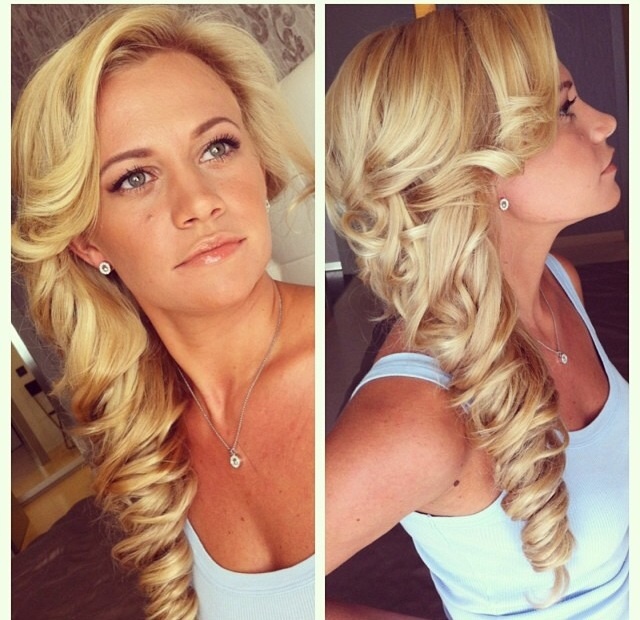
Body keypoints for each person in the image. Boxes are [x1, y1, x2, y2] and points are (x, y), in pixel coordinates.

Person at [12, 5, 314, 620]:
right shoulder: (142, 436)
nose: (198, 202)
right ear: (87, 241)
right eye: (135, 178)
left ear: (260, 166)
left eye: (217, 147)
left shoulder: (369, 355)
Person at [325, 5, 627, 619]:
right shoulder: (418, 417)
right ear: (480, 169)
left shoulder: (559, 282)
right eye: (565, 108)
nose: (604, 122)